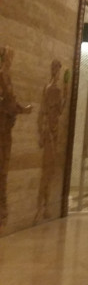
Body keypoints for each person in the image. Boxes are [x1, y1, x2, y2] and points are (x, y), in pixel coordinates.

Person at [0, 46, 32, 228]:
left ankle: (2, 206)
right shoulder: (2, 75)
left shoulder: (6, 76)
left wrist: (23, 109)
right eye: (9, 56)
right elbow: (9, 102)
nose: (11, 59)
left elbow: (11, 102)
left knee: (4, 168)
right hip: (2, 127)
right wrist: (22, 109)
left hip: (6, 128)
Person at [35, 60, 66, 223]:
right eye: (57, 69)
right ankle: (43, 206)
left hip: (52, 131)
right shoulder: (53, 89)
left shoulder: (50, 88)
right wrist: (66, 92)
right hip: (50, 132)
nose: (58, 73)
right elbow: (52, 110)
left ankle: (44, 205)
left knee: (48, 170)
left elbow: (50, 111)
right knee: (47, 170)